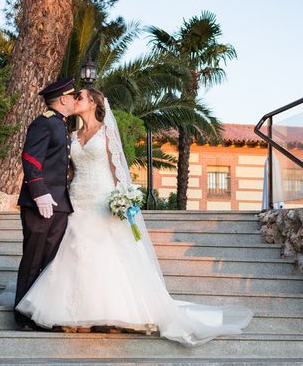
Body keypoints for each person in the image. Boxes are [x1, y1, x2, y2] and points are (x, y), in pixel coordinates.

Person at [14, 88, 253, 346]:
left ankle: (114, 313)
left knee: (105, 254)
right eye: (75, 96)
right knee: (74, 254)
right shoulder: (70, 134)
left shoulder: (106, 132)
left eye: (81, 96)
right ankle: (76, 314)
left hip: (102, 200)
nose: (76, 99)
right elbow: (63, 168)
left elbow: (118, 170)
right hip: (76, 200)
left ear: (94, 103)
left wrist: (124, 198)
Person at [13, 77, 77, 330]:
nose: (74, 100)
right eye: (73, 96)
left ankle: (40, 313)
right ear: (64, 98)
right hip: (41, 203)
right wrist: (39, 193)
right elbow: (30, 158)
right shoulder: (44, 123)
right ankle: (22, 313)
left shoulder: (60, 125)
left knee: (49, 261)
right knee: (33, 258)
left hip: (59, 203)